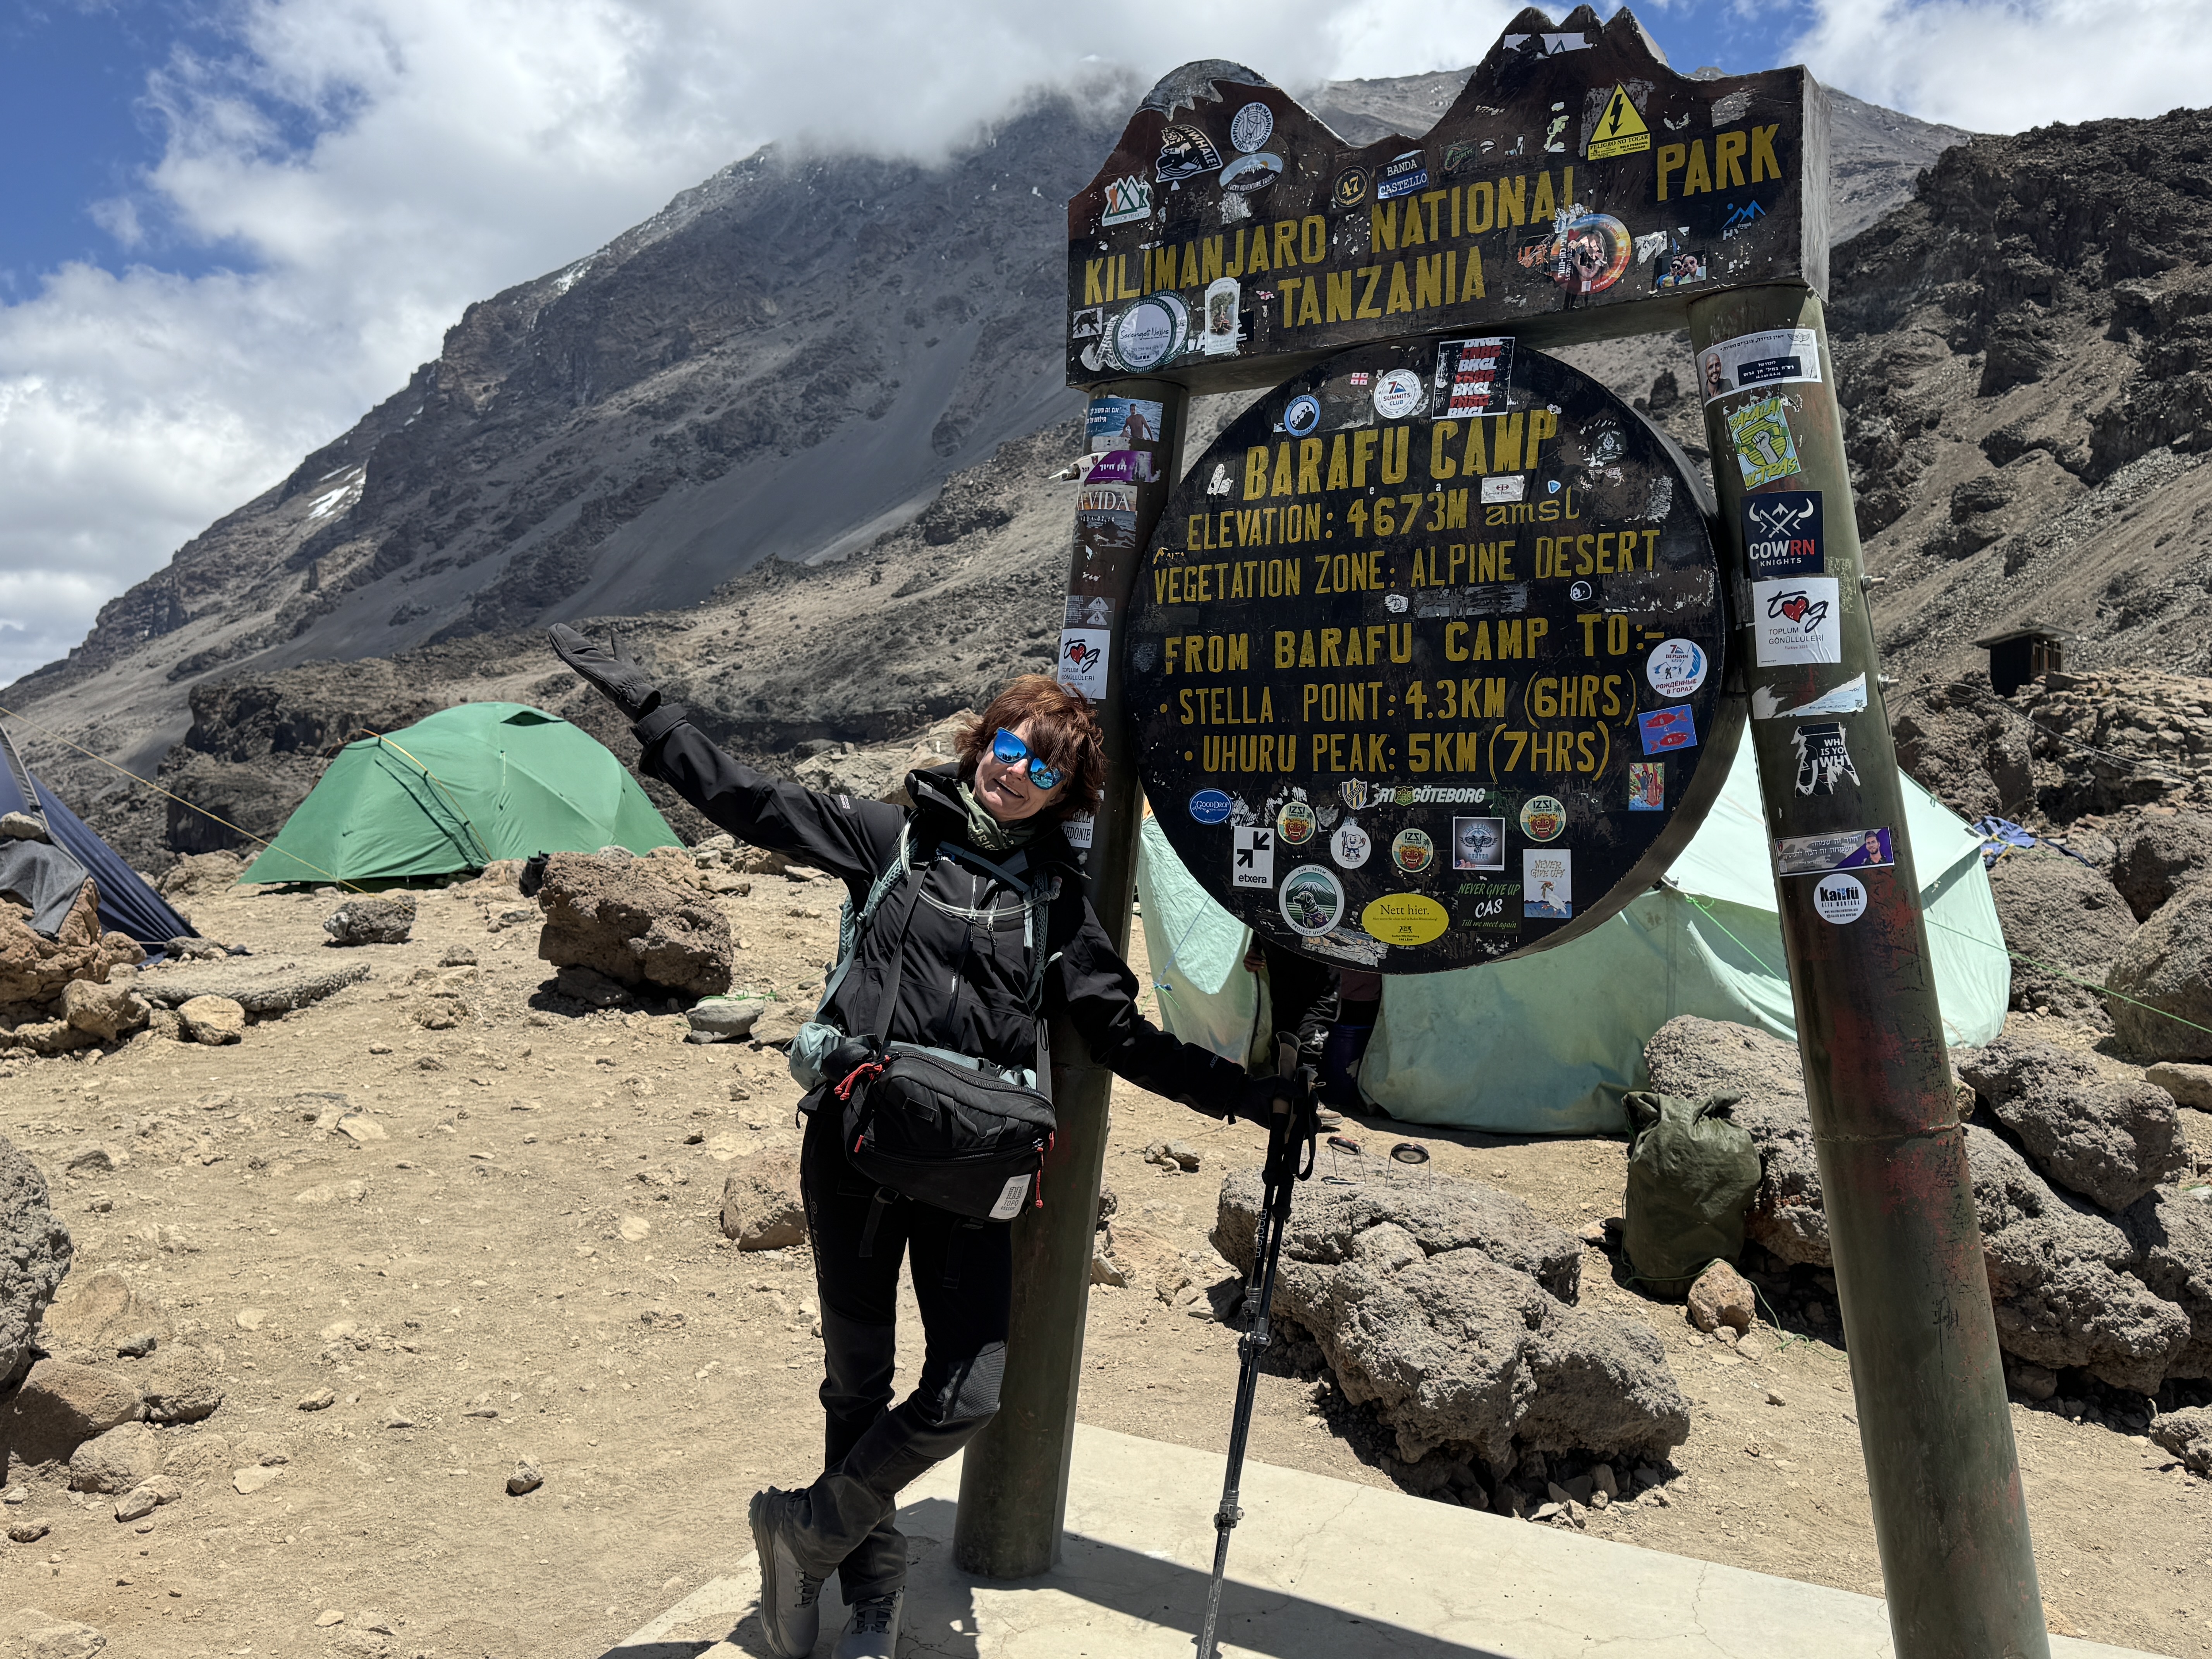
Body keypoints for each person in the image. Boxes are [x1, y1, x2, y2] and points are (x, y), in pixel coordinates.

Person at [549, 627, 1296, 1659]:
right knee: (858, 1381)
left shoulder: (1058, 904)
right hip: (856, 1149)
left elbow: (1118, 1033)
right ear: (978, 739)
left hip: (972, 1174)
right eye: (1009, 744)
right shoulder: (885, 835)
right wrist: (654, 709)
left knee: (972, 1384)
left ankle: (807, 1526)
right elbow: (748, 801)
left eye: (1047, 766)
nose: (1016, 771)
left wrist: (1251, 1099)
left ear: (1066, 796)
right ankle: (870, 1592)